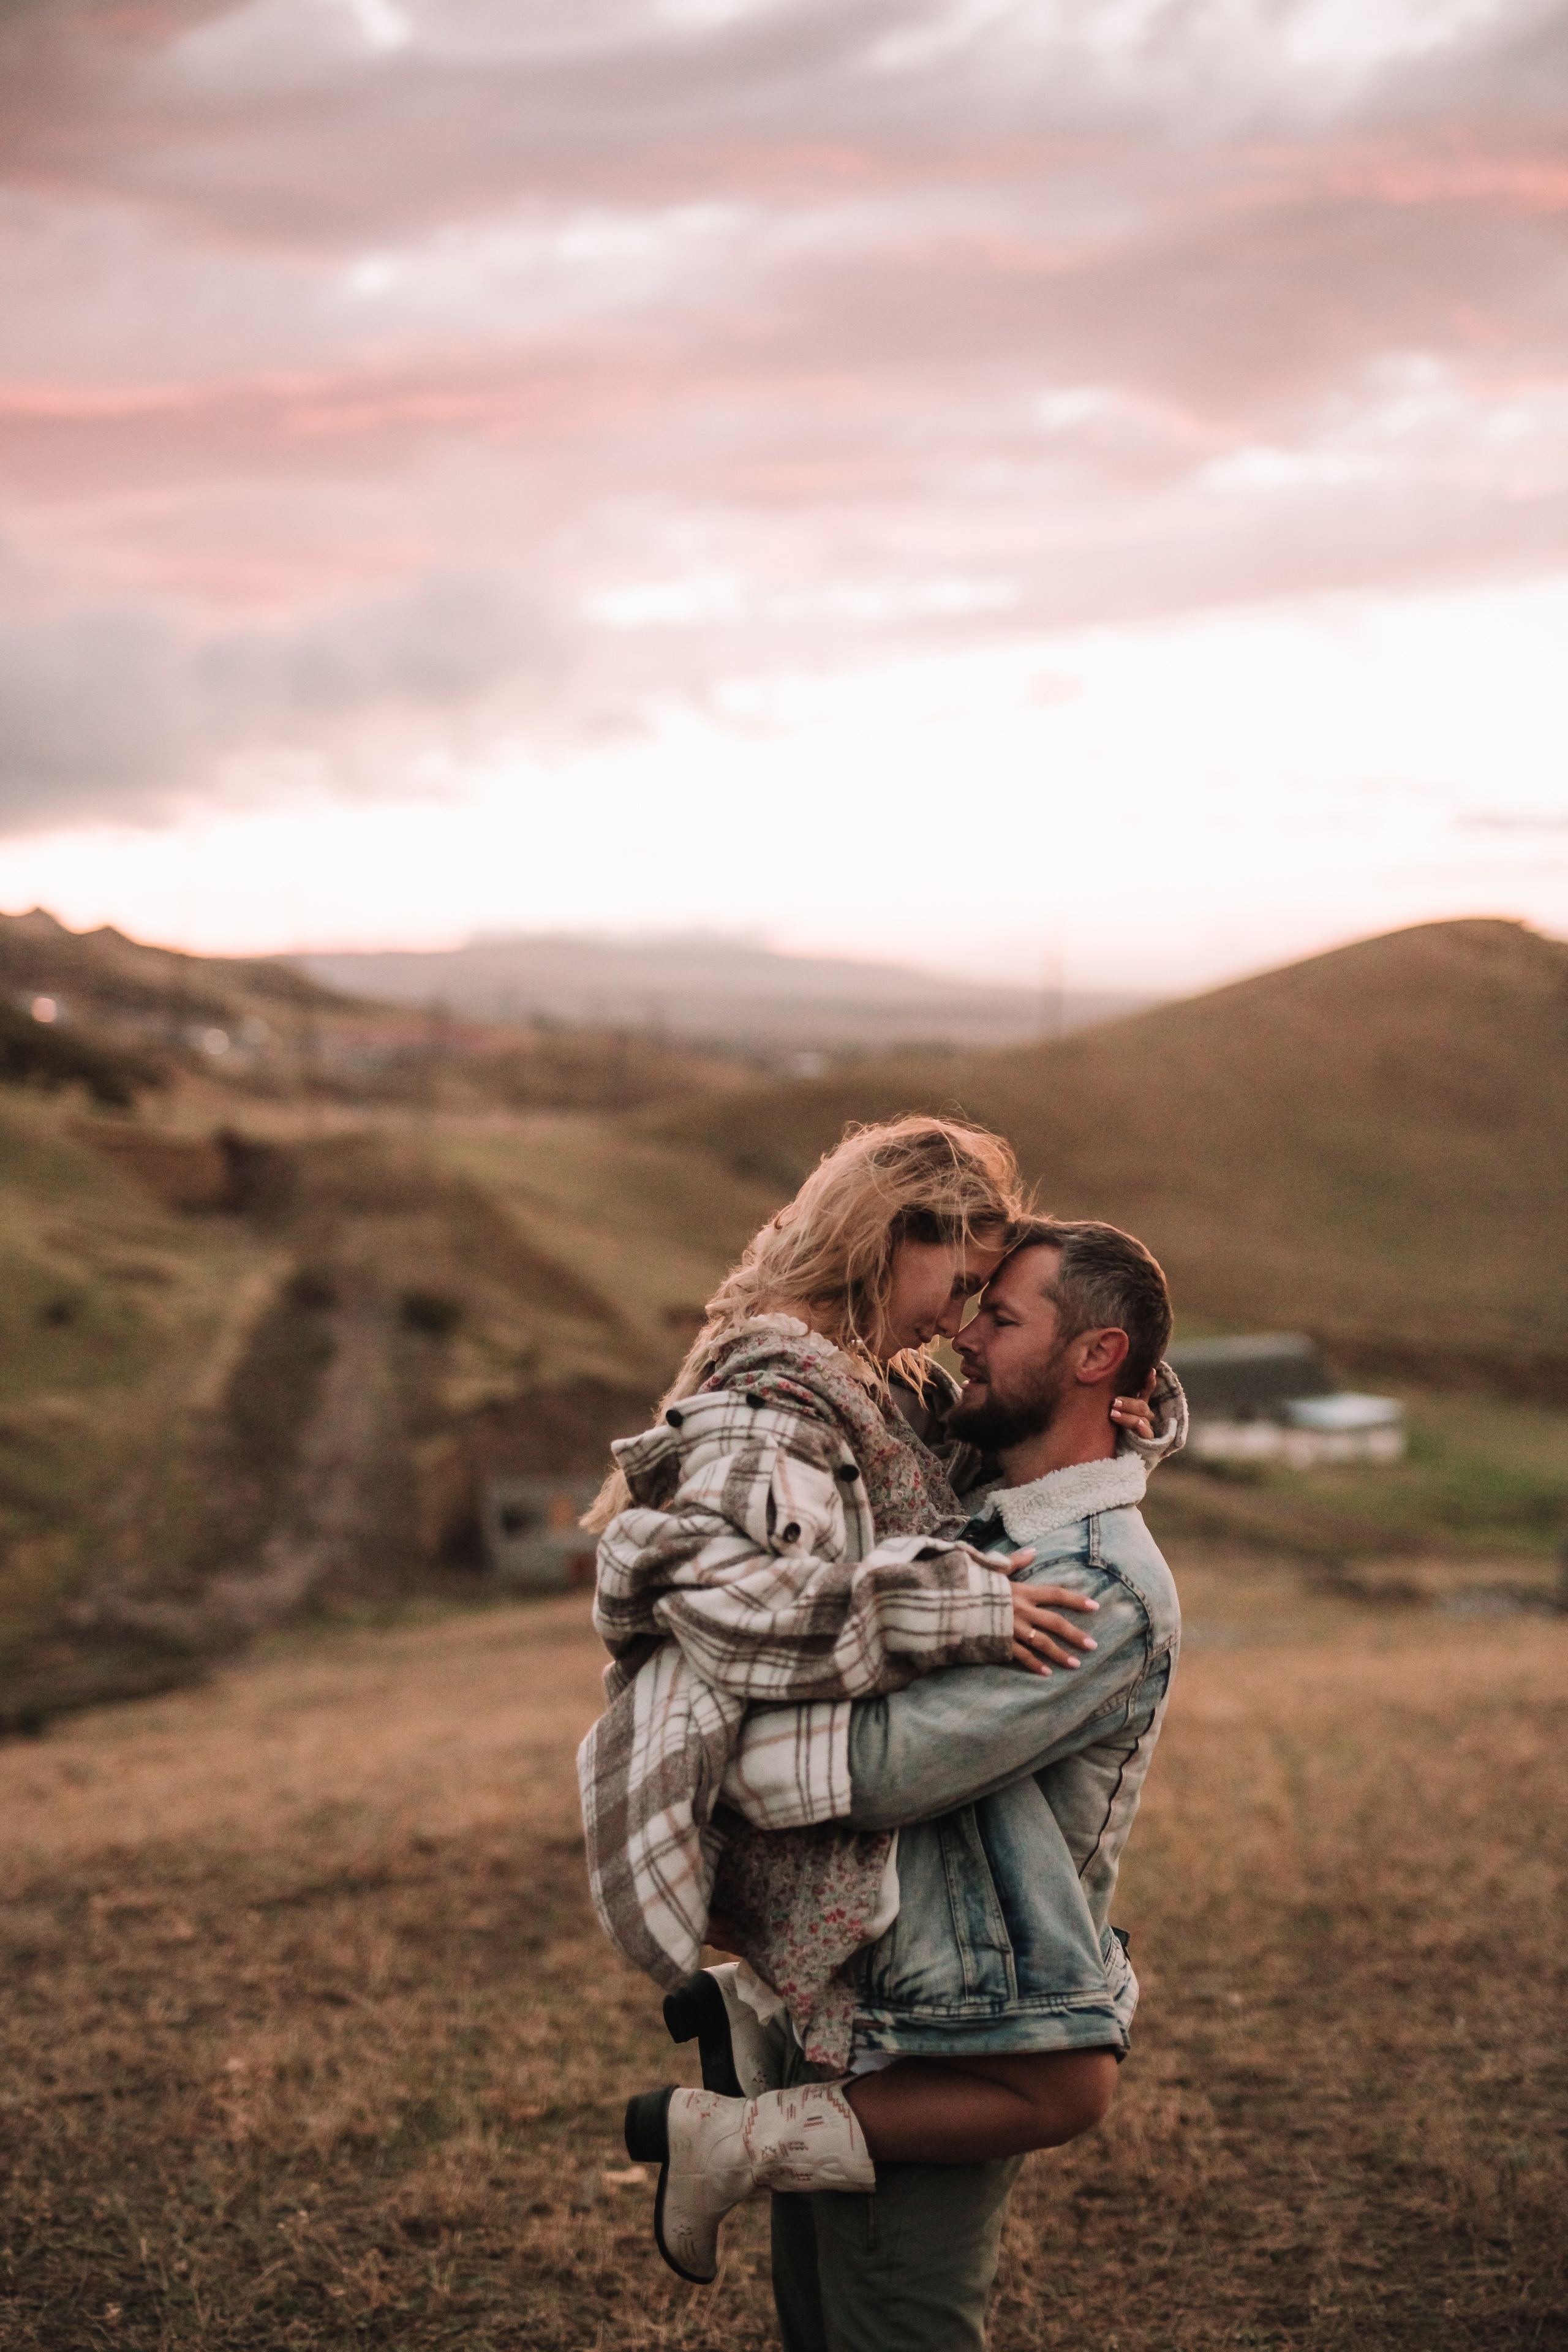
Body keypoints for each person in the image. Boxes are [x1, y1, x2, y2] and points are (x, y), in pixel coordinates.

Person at [576, 1122, 1177, 2299]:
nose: (958, 1328)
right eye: (963, 1290)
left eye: (990, 1308)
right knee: (1033, 2127)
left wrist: (1132, 1403)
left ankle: (755, 2039)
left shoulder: (871, 1393)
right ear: (890, 1240)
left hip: (890, 1938)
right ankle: (748, 2069)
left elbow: (1012, 1445)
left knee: (853, 2292)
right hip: (901, 1954)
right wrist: (946, 1610)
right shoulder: (785, 1407)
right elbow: (739, 1615)